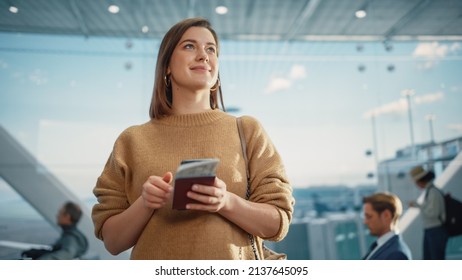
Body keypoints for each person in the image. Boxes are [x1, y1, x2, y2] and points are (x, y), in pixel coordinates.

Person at [91, 17, 294, 260]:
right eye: (189, 46)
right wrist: (145, 203)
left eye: (211, 49)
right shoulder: (132, 140)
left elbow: (277, 224)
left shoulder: (247, 130)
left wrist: (226, 201)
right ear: (166, 65)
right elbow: (113, 242)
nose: (203, 55)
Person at [22, 201, 88, 260]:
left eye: (60, 213)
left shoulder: (71, 238)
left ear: (67, 216)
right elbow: (58, 251)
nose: (57, 216)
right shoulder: (72, 234)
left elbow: (66, 255)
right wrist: (39, 252)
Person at [409, 165, 447, 260]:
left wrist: (418, 206)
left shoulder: (433, 192)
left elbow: (433, 213)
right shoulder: (430, 191)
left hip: (435, 230)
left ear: (420, 181)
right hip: (431, 230)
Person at [362, 192, 412, 260]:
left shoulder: (397, 254)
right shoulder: (379, 246)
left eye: (369, 216)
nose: (365, 222)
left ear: (386, 215)